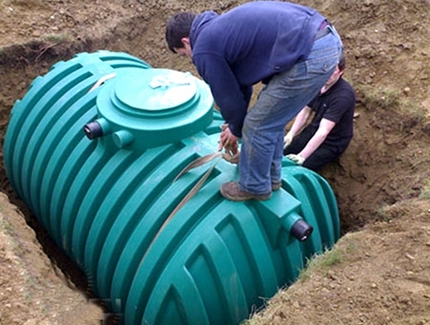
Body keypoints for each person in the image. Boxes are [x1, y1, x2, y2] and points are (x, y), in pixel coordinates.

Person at [165, 1, 343, 201]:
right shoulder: (220, 29)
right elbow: (241, 85)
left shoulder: (204, 47)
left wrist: (237, 128)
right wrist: (235, 124)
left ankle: (254, 186)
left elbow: (227, 96)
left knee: (257, 125)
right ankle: (271, 177)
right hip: (326, 40)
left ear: (186, 41)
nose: (190, 58)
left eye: (184, 53)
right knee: (268, 118)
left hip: (310, 53)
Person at [283, 53, 356, 171]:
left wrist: (302, 156)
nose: (328, 74)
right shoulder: (318, 82)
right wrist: (291, 133)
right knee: (283, 153)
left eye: (334, 70)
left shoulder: (343, 97)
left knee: (300, 169)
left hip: (332, 142)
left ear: (341, 72)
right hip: (314, 129)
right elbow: (306, 110)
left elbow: (324, 131)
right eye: (326, 68)